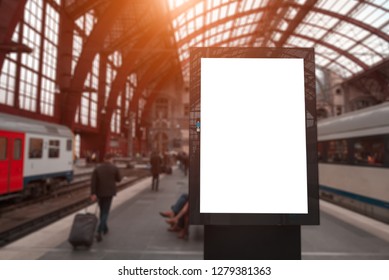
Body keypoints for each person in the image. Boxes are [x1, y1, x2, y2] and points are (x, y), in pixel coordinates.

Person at [90, 153, 121, 242]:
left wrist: (93, 193)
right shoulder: (114, 168)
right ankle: (100, 231)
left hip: (99, 193)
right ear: (111, 159)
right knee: (105, 212)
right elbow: (119, 179)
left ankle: (105, 228)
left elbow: (93, 182)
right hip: (109, 193)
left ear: (104, 159)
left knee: (102, 210)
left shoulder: (97, 168)